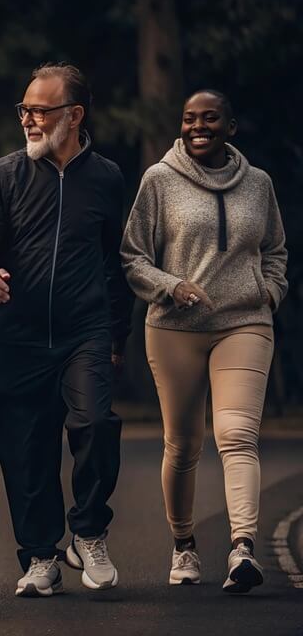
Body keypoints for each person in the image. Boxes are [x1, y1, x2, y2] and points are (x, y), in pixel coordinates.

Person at [0, 63, 133, 598]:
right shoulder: (3, 176)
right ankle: (39, 557)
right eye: (24, 110)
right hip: (18, 334)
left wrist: (117, 336)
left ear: (74, 116)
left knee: (96, 423)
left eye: (40, 110)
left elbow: (115, 261)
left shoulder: (106, 177)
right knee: (25, 448)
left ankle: (89, 533)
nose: (28, 119)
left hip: (85, 331)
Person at [121, 90, 288, 594]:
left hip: (245, 322)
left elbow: (275, 250)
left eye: (210, 118)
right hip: (175, 328)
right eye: (189, 118)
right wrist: (171, 285)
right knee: (183, 444)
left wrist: (270, 292)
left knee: (236, 433)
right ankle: (184, 545)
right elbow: (133, 256)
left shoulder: (259, 184)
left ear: (229, 127)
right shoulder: (159, 179)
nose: (198, 126)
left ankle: (243, 548)